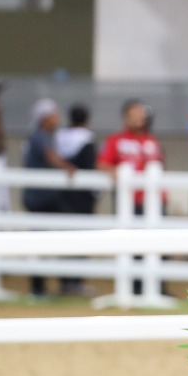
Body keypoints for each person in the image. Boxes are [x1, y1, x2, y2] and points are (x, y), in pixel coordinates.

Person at [97, 99, 165, 295]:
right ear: (126, 116)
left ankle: (156, 286)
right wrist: (117, 172)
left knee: (154, 245)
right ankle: (133, 287)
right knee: (132, 245)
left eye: (141, 114)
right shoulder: (115, 140)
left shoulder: (152, 142)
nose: (139, 118)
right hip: (129, 202)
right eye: (135, 114)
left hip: (153, 202)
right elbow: (102, 163)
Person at [22, 98, 76, 296]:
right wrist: (67, 167)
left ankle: (54, 284)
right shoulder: (41, 137)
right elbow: (50, 155)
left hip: (43, 197)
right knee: (43, 241)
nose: (57, 119)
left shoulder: (44, 136)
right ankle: (43, 287)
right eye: (53, 115)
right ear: (44, 118)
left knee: (51, 239)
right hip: (40, 198)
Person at [54, 103, 99, 295]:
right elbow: (89, 165)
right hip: (82, 196)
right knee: (82, 237)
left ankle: (64, 281)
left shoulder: (60, 137)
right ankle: (76, 281)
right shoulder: (87, 139)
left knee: (65, 237)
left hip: (63, 194)